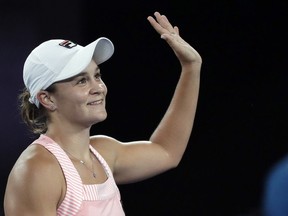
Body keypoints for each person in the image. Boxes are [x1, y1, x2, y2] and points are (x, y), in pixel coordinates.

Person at [4, 11, 202, 216]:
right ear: (47, 99)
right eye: (81, 81)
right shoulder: (37, 170)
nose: (99, 87)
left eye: (97, 76)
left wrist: (191, 67)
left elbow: (166, 151)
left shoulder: (103, 152)